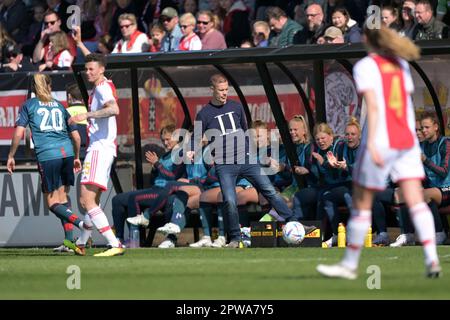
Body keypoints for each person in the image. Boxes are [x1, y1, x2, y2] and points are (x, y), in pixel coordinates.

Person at [317, 26, 441, 279]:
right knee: (415, 200)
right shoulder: (400, 65)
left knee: (362, 201)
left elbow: (373, 106)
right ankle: (431, 259)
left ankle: (350, 264)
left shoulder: (366, 66)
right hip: (405, 140)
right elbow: (406, 104)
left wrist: (371, 141)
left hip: (383, 139)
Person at [192, 74, 317, 248]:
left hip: (246, 159)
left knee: (270, 191)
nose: (224, 93)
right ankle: (235, 238)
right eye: (220, 90)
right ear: (211, 90)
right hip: (225, 164)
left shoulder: (236, 106)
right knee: (229, 200)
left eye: (226, 90)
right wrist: (192, 150)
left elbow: (244, 129)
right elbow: (196, 137)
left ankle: (294, 222)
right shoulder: (204, 113)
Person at [7, 73, 90, 253]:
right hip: (67, 153)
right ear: (49, 87)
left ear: (34, 89)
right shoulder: (60, 106)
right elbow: (76, 137)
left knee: (52, 203)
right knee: (62, 199)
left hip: (48, 155)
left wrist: (11, 155)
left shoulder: (29, 105)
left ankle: (82, 225)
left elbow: (19, 133)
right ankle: (69, 242)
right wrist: (76, 157)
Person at [67, 53, 125, 257]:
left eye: (92, 69)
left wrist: (86, 115)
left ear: (101, 69)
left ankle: (114, 243)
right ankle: (81, 243)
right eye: (86, 68)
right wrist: (80, 41)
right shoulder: (104, 84)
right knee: (94, 200)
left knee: (86, 201)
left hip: (99, 149)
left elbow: (114, 109)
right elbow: (97, 59)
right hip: (104, 148)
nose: (87, 72)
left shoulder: (101, 88)